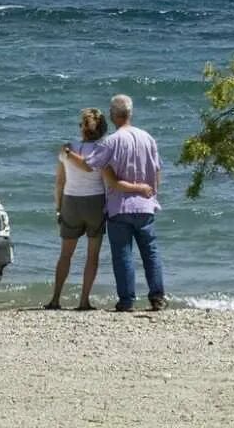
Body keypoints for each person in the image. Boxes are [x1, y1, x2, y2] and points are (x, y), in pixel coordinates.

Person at [68, 92, 165, 312]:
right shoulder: (148, 138)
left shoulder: (112, 141)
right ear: (130, 113)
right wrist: (152, 193)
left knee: (123, 255)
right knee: (150, 252)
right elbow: (157, 170)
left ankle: (127, 300)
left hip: (119, 206)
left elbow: (89, 165)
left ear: (113, 115)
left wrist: (68, 152)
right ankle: (157, 297)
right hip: (145, 204)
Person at [44, 107, 109, 310]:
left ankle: (55, 299)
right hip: (95, 203)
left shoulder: (67, 149)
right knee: (92, 256)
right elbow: (106, 181)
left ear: (82, 128)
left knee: (65, 254)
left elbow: (59, 183)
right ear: (103, 129)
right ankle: (83, 301)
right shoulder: (104, 149)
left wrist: (58, 208)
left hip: (71, 201)